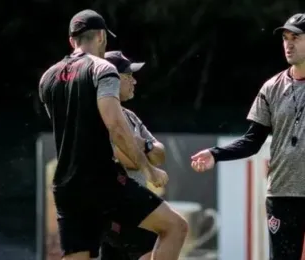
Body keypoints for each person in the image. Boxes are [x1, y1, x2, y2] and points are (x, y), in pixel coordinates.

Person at [38, 9, 188, 260]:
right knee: (175, 227)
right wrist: (148, 170)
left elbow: (68, 131)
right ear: (101, 37)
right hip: (101, 181)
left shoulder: (47, 78)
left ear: (71, 40)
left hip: (65, 186)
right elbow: (115, 127)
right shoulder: (102, 68)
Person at [191, 13, 305, 260]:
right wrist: (215, 154)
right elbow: (253, 141)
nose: (288, 44)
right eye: (285, 38)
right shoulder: (272, 87)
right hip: (282, 194)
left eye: (295, 37)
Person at [99, 51, 166, 260]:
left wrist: (142, 145)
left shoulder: (130, 116)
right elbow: (126, 158)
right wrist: (145, 154)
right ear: (113, 80)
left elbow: (160, 154)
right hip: (117, 204)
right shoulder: (102, 116)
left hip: (130, 206)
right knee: (169, 233)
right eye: (129, 76)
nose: (134, 81)